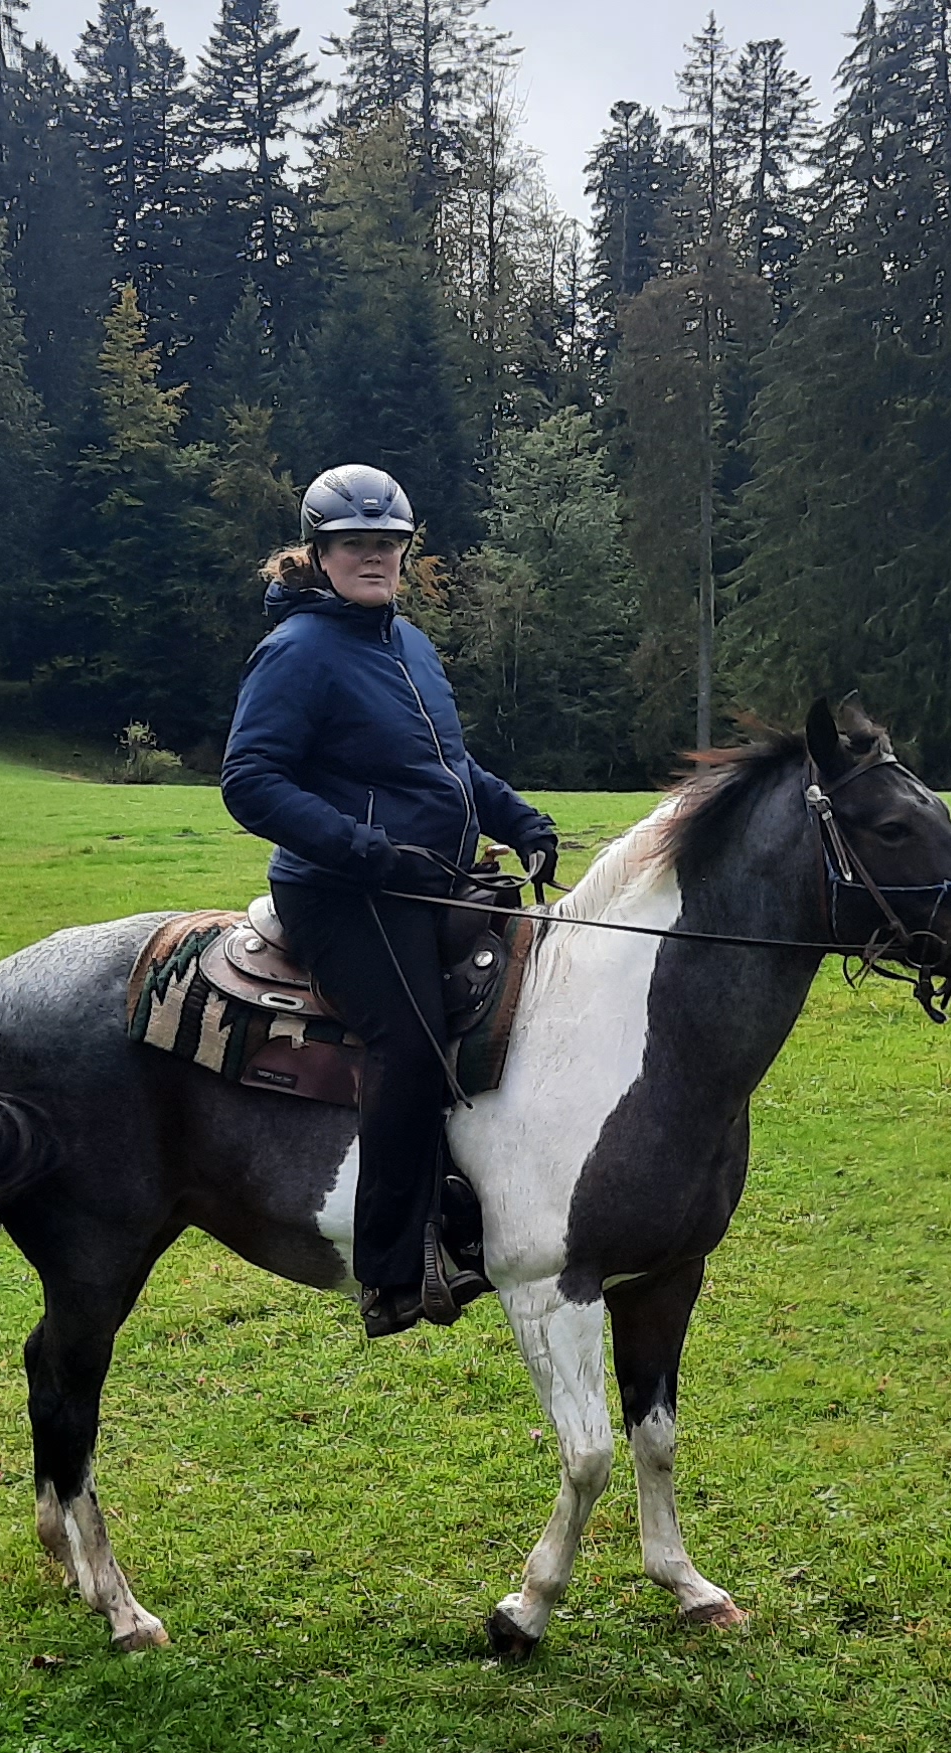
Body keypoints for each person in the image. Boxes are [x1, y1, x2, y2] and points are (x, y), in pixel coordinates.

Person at [220, 465, 557, 1338]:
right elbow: (249, 779)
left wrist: (520, 820)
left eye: (388, 544)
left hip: (427, 881)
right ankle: (392, 1268)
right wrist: (357, 847)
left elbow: (449, 767)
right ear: (320, 553)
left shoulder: (410, 645)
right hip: (341, 892)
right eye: (355, 545)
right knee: (407, 1043)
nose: (374, 558)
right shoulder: (297, 651)